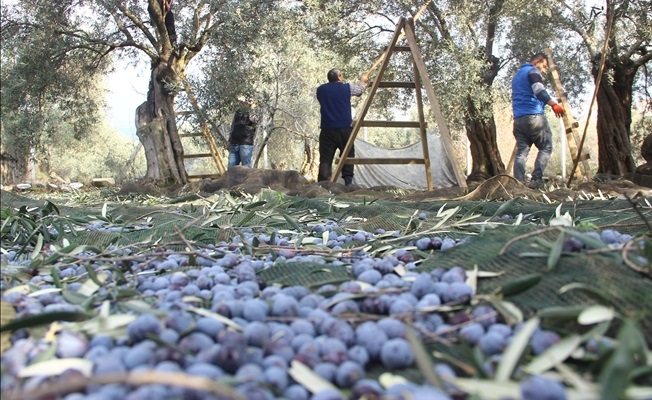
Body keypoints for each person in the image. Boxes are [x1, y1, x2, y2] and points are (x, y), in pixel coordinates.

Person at [511, 52, 565, 188]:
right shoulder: (533, 71)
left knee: (521, 152)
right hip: (534, 117)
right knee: (546, 147)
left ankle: (518, 183)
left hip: (518, 119)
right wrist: (553, 104)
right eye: (544, 66)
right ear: (537, 62)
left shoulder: (517, 76)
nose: (544, 70)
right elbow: (538, 90)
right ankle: (537, 180)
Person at [316, 68, 368, 186]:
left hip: (327, 129)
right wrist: (363, 81)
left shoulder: (320, 90)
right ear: (339, 77)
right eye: (342, 75)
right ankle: (348, 181)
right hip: (344, 127)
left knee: (325, 159)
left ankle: (323, 185)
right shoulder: (347, 87)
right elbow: (359, 90)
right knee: (348, 154)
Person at [227, 96, 258, 169]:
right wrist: (229, 140)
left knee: (246, 168)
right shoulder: (238, 112)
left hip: (245, 144)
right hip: (234, 143)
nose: (242, 103)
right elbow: (233, 126)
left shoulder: (252, 112)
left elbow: (254, 121)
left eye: (243, 102)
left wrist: (252, 109)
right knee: (231, 169)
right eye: (241, 102)